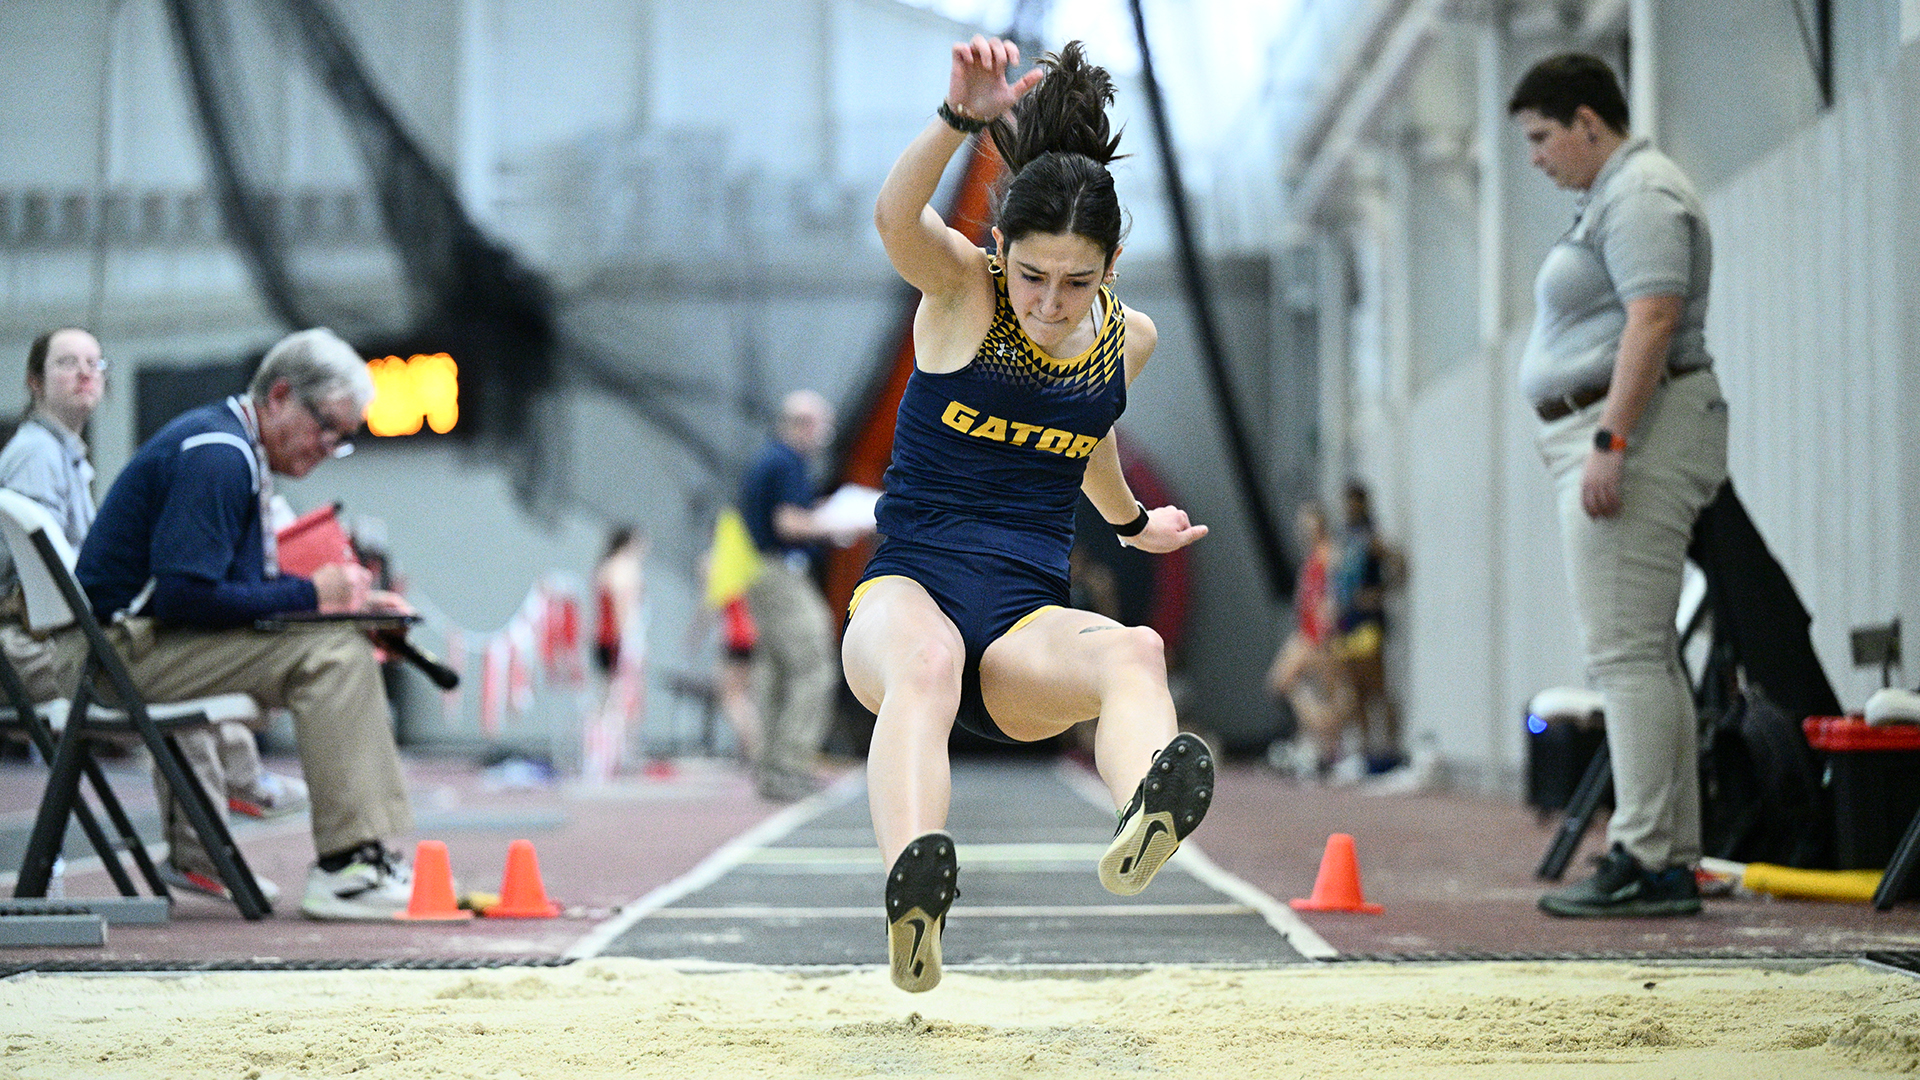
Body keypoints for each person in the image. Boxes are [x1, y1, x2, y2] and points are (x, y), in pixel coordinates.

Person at [849, 36, 1212, 992]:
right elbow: (894, 219)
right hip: (907, 596)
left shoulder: (1125, 340)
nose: (1051, 304)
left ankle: (1145, 810)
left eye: (1077, 282)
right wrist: (958, 118)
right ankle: (915, 897)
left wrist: (1135, 527)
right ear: (1001, 247)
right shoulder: (964, 289)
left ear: (1113, 264)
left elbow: (1086, 441)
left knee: (1136, 652)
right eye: (1033, 275)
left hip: (1018, 628)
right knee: (927, 665)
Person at [60, 327, 418, 919]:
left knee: (339, 638)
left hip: (124, 647)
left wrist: (340, 606)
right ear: (279, 395)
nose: (329, 446)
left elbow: (221, 595)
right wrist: (312, 594)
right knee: (335, 656)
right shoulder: (219, 456)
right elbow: (183, 598)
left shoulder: (230, 443)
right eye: (326, 426)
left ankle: (357, 859)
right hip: (104, 661)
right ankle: (348, 868)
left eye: (343, 438)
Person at [1510, 54, 1728, 917]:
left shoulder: (1641, 193)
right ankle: (1666, 853)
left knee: (1626, 654)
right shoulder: (1614, 194)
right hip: (1621, 430)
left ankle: (1644, 854)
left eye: (1540, 136)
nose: (1534, 156)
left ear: (1588, 122)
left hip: (1640, 432)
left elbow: (1656, 315)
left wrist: (1608, 439)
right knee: (1646, 652)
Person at [0, 328, 307, 905]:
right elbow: (47, 584)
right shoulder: (36, 456)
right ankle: (205, 841)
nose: (86, 373)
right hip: (20, 647)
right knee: (158, 672)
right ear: (36, 382)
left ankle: (227, 804)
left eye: (96, 362)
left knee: (164, 652)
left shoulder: (66, 455)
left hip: (39, 635)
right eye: (68, 363)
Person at [738, 390, 866, 802]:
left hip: (763, 572)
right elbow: (790, 523)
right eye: (821, 426)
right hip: (780, 573)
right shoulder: (785, 461)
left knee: (776, 673)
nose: (825, 435)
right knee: (814, 667)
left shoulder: (771, 461)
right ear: (803, 424)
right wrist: (835, 523)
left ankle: (773, 769)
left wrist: (824, 512)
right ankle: (791, 764)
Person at [1265, 501, 1355, 779]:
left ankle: (1324, 746)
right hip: (1305, 630)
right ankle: (1317, 741)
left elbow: (1334, 595)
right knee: (1285, 684)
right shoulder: (1311, 556)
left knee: (1320, 693)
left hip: (1318, 635)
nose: (1302, 530)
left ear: (1319, 524)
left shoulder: (1331, 554)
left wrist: (1329, 630)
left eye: (1308, 524)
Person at [1332, 482, 1404, 774]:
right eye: (1347, 503)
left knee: (1377, 687)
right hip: (1349, 620)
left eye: (1354, 503)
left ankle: (1389, 749)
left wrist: (1381, 591)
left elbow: (1398, 563)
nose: (1350, 509)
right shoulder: (1346, 536)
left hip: (1369, 622)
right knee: (1356, 689)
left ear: (1363, 504)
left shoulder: (1371, 536)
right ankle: (1364, 752)